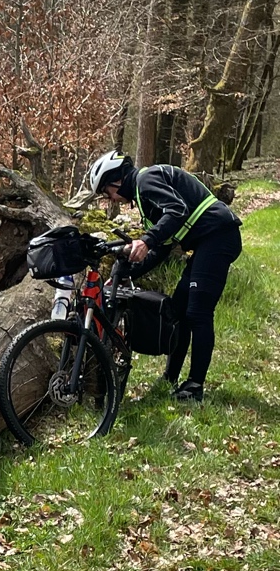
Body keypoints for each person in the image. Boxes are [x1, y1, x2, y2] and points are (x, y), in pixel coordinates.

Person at [88, 151, 242, 402]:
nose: (111, 198)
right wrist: (122, 273)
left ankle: (194, 386)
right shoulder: (145, 200)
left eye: (108, 192)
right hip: (207, 242)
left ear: (116, 180)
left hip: (219, 236)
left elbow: (177, 210)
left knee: (197, 312)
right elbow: (162, 247)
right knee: (179, 310)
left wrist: (147, 240)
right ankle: (170, 379)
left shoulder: (146, 180)